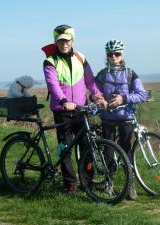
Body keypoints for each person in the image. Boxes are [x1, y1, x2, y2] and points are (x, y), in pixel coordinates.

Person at [42, 25, 106, 194]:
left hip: (80, 108)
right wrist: (63, 100)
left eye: (67, 40)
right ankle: (70, 183)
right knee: (65, 147)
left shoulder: (80, 57)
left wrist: (98, 95)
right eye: (61, 40)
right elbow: (53, 84)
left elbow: (90, 81)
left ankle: (87, 181)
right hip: (62, 110)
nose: (64, 43)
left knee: (87, 145)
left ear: (72, 41)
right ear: (56, 41)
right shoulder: (50, 61)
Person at [96, 39, 147, 200]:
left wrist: (123, 99)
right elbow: (94, 93)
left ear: (122, 55)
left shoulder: (131, 74)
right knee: (109, 152)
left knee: (126, 150)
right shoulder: (102, 74)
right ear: (106, 55)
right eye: (110, 54)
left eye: (117, 54)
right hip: (107, 118)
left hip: (125, 118)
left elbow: (142, 95)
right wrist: (98, 99)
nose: (113, 57)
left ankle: (130, 185)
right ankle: (109, 183)